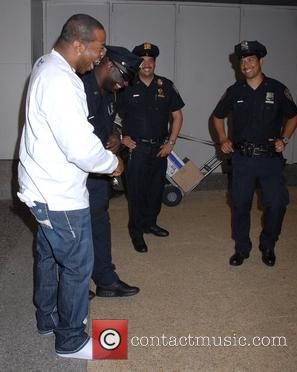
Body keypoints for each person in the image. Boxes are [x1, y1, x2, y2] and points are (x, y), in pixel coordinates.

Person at [17, 14, 123, 360]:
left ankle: (46, 318)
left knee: (49, 257)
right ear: (79, 44)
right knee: (78, 266)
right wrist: (112, 164)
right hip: (60, 196)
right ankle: (71, 340)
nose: (101, 55)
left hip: (40, 188)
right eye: (98, 47)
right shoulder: (63, 81)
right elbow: (80, 148)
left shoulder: (45, 65)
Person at [213, 40, 297, 267]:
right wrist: (223, 139)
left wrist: (285, 139)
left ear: (261, 61)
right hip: (242, 159)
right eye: (243, 60)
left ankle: (268, 244)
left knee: (277, 204)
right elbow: (217, 116)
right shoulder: (234, 91)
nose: (246, 64)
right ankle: (242, 248)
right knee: (240, 204)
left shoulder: (277, 89)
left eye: (251, 59)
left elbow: (293, 116)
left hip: (270, 159)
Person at [80, 46, 143, 299]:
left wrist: (115, 138)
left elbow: (107, 127)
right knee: (76, 232)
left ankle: (106, 280)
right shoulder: (79, 90)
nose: (125, 84)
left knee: (99, 224)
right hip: (77, 175)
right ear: (108, 65)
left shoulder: (108, 92)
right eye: (124, 77)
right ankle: (76, 285)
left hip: (97, 176)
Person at [117, 42, 185, 253]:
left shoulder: (166, 85)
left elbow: (177, 116)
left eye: (151, 60)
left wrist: (171, 143)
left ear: (155, 62)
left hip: (160, 149)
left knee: (156, 191)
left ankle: (150, 223)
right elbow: (109, 114)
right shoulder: (125, 86)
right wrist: (121, 137)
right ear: (137, 63)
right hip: (136, 150)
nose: (147, 64)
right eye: (142, 60)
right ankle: (136, 231)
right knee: (137, 193)